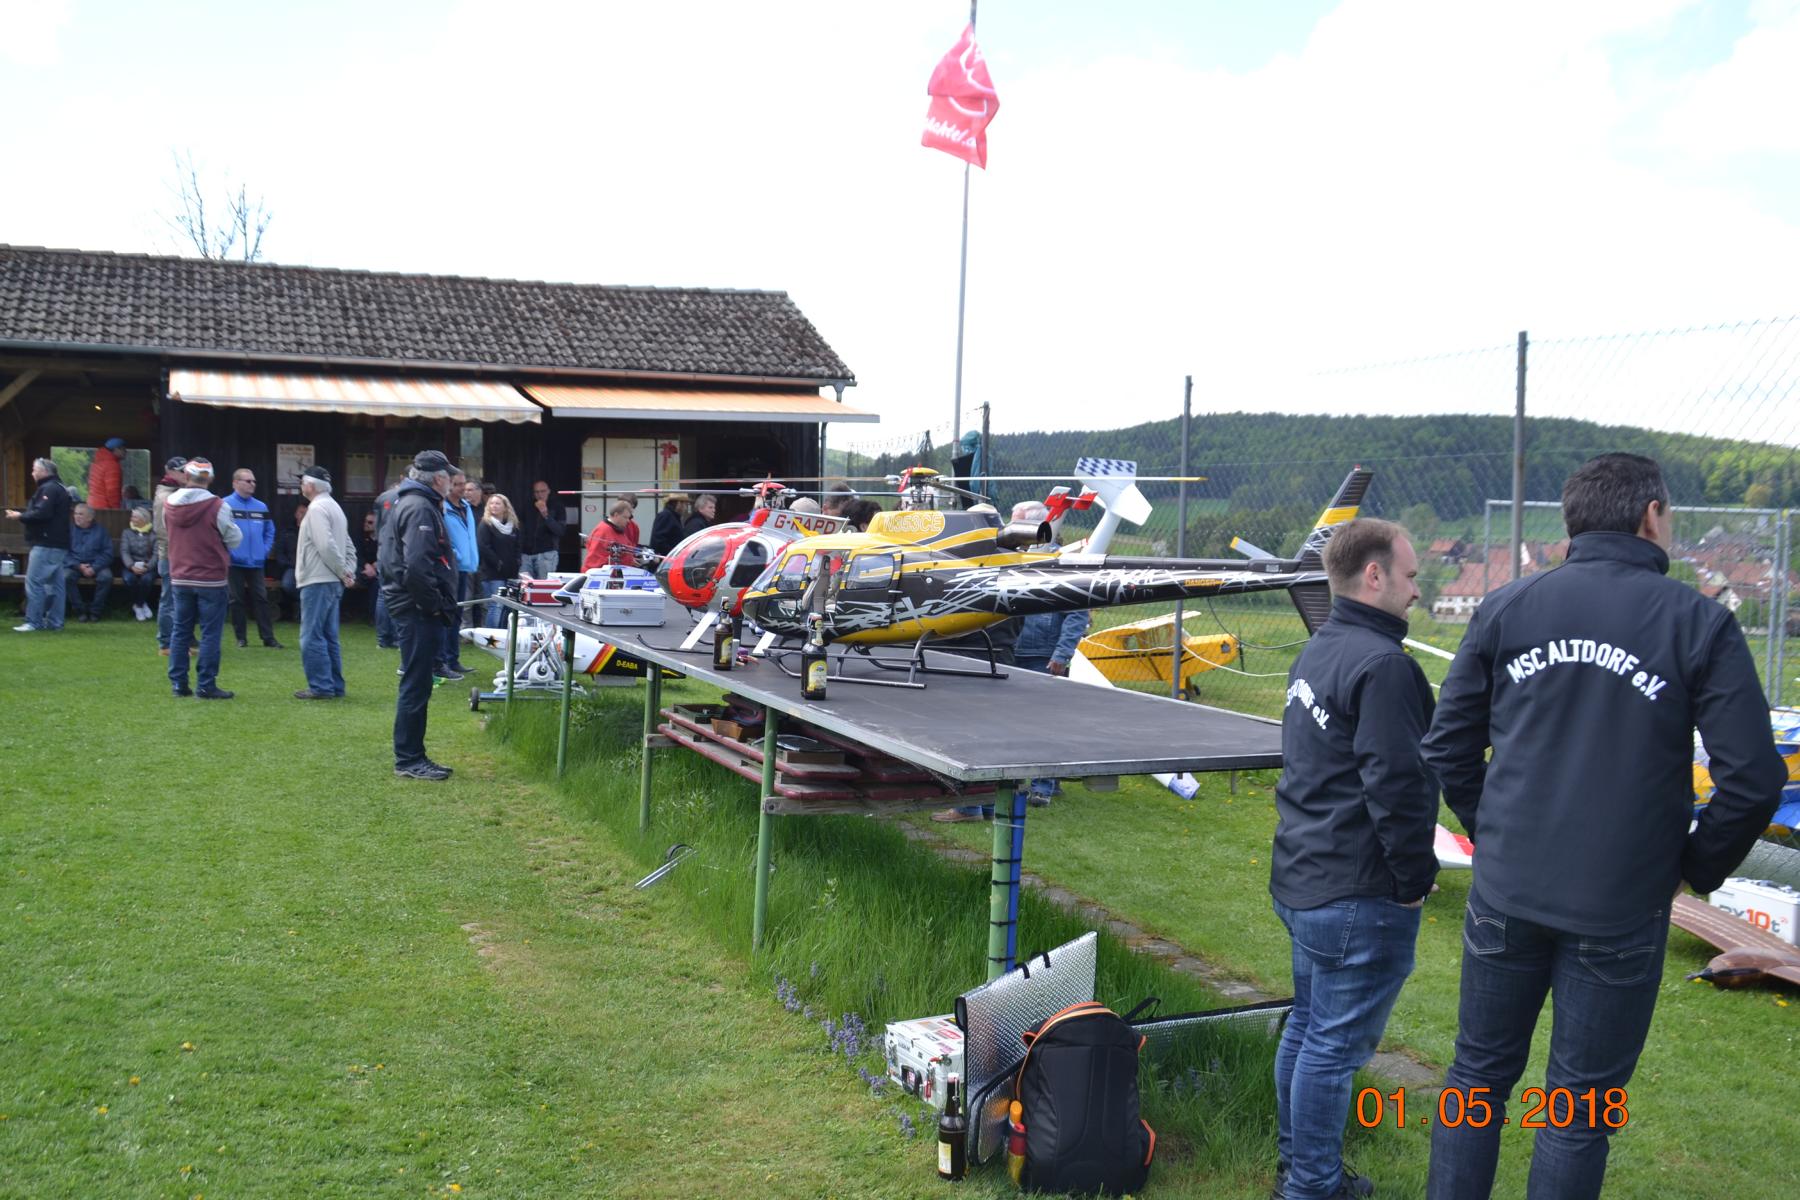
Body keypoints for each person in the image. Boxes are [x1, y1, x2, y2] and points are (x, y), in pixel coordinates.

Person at [1421, 453, 1785, 1200]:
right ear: (1652, 515)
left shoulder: (1509, 606)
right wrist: (1693, 866)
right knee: (1578, 1111)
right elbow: (1753, 778)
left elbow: (1448, 745)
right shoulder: (1698, 621)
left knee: (1476, 1078)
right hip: (1620, 903)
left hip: (1509, 892)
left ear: (1574, 519)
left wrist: (1495, 831)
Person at [1265, 518, 1434, 1200]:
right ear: (1374, 574)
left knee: (1309, 1030)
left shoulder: (1321, 648)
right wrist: (1413, 881)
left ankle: (1301, 1170)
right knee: (1332, 1050)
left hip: (1304, 876)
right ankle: (1310, 1187)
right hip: (1356, 893)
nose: (1417, 590)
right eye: (1411, 576)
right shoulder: (1385, 666)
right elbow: (1398, 786)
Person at [381, 450, 461, 780]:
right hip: (415, 609)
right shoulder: (420, 507)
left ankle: (412, 755)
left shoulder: (410, 502)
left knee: (418, 681)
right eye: (449, 476)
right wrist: (434, 604)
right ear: (438, 478)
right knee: (416, 684)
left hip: (411, 605)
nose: (452, 481)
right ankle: (409, 759)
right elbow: (415, 565)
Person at [164, 458, 242, 698]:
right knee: (210, 633)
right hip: (211, 578)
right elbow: (234, 539)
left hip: (180, 575)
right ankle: (206, 685)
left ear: (186, 476)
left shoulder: (169, 503)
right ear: (210, 478)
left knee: (180, 630)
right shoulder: (218, 505)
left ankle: (178, 684)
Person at [293, 466, 355, 701]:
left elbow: (326, 545)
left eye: (302, 482)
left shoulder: (317, 509)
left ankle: (320, 686)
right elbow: (348, 545)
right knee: (329, 636)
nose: (301, 486)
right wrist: (348, 570)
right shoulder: (335, 508)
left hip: (318, 579)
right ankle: (334, 685)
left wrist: (343, 571)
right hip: (332, 580)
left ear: (310, 485)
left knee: (311, 635)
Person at [6, 457, 73, 632]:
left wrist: (20, 516)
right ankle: (55, 622)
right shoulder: (59, 487)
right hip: (58, 543)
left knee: (34, 581)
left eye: (35, 470)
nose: (32, 473)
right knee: (56, 585)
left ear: (44, 471)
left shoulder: (49, 489)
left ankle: (33, 621)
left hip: (46, 542)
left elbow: (42, 513)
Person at [225, 467, 282, 649]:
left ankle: (268, 638)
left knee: (262, 599)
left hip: (256, 562)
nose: (252, 484)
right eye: (248, 481)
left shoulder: (261, 506)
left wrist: (263, 551)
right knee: (236, 600)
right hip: (234, 562)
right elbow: (219, 532)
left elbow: (270, 531)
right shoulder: (224, 505)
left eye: (254, 481)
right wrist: (230, 552)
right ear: (236, 483)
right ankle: (241, 638)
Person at [440, 470, 479, 675]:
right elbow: (442, 537)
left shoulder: (466, 506)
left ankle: (453, 659)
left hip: (465, 567)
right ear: (449, 485)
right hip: (452, 567)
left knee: (457, 614)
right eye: (457, 484)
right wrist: (455, 555)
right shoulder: (443, 508)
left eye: (464, 483)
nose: (463, 488)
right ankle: (443, 660)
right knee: (449, 614)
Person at [152, 456, 186, 652]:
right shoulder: (164, 496)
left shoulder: (179, 492)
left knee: (181, 600)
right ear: (170, 471)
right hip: (170, 555)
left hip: (181, 555)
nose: (185, 475)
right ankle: (166, 642)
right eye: (181, 471)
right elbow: (162, 531)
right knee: (169, 600)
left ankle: (184, 639)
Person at [64, 502, 116, 622]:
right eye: (75, 514)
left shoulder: (101, 531)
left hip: (97, 564)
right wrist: (78, 566)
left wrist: (94, 568)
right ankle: (80, 610)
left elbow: (108, 554)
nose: (77, 516)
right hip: (75, 565)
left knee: (106, 577)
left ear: (90, 517)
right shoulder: (68, 531)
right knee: (65, 577)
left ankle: (95, 611)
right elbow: (64, 553)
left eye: (81, 514)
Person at [477, 493, 522, 627]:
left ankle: (504, 633)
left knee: (508, 607)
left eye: (497, 503)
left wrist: (517, 561)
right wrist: (498, 563)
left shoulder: (513, 526)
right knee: (496, 605)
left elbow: (518, 546)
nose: (494, 506)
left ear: (505, 507)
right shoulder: (486, 524)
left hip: (511, 573)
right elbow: (483, 547)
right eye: (491, 503)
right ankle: (492, 635)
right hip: (493, 573)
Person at [354, 510, 396, 648]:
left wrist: (375, 566)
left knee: (378, 588)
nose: (366, 524)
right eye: (365, 522)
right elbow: (357, 554)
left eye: (370, 522)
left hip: (379, 571)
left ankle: (376, 622)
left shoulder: (381, 538)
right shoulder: (360, 537)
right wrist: (367, 566)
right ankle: (386, 636)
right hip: (364, 570)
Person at [119, 504, 158, 621]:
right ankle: (141, 604)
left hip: (147, 566)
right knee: (129, 579)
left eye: (135, 517)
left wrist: (148, 566)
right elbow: (124, 551)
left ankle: (138, 605)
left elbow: (156, 554)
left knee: (147, 580)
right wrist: (131, 566)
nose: (132, 519)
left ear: (144, 519)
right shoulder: (127, 533)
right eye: (132, 516)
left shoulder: (154, 534)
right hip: (131, 566)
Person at [519, 479, 565, 578]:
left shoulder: (557, 506)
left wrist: (545, 514)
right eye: (537, 492)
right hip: (526, 553)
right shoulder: (527, 505)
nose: (540, 495)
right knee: (524, 584)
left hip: (547, 553)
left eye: (542, 491)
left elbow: (560, 531)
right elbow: (520, 527)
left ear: (548, 491)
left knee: (543, 584)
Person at [582, 499, 640, 571]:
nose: (628, 521)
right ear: (616, 515)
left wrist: (630, 559)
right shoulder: (602, 531)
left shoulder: (618, 530)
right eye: (625, 517)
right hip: (601, 575)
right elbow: (595, 559)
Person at [272, 501, 306, 621]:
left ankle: (303, 607)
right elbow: (279, 552)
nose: (303, 515)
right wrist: (287, 564)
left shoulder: (313, 532)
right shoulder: (287, 532)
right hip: (291, 567)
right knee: (287, 584)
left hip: (310, 567)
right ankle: (301, 601)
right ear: (296, 514)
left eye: (306, 513)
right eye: (301, 512)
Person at [87, 437, 125, 510]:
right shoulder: (112, 465)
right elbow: (112, 491)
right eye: (123, 449)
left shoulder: (96, 463)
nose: (125, 452)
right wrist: (116, 509)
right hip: (104, 508)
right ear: (116, 449)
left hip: (91, 505)